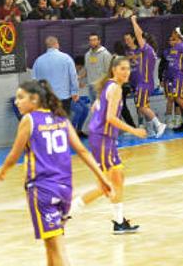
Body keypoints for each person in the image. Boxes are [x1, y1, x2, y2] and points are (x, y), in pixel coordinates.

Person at [0, 79, 112, 265]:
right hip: (65, 190)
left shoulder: (29, 120)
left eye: (20, 97)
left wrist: (3, 171)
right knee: (51, 245)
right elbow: (82, 151)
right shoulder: (61, 118)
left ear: (34, 100)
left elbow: (14, 154)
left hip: (42, 190)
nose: (16, 102)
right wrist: (102, 177)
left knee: (57, 248)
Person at [69, 57, 147, 234]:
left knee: (118, 178)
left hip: (105, 138)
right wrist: (134, 130)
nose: (126, 72)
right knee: (106, 185)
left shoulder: (109, 85)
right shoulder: (116, 88)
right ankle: (66, 213)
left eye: (128, 69)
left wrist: (99, 109)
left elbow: (96, 106)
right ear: (114, 70)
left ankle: (119, 222)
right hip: (103, 138)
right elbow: (110, 118)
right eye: (122, 69)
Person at [123, 15, 165, 138]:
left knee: (141, 107)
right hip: (146, 82)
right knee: (143, 106)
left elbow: (138, 34)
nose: (138, 40)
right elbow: (140, 34)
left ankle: (158, 124)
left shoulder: (146, 49)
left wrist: (133, 21)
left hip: (144, 82)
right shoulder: (150, 50)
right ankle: (151, 130)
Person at [31, 36, 78, 114]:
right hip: (63, 98)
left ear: (47, 46)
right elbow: (73, 76)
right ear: (57, 44)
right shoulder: (67, 58)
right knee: (62, 122)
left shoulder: (38, 61)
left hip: (46, 98)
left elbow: (34, 80)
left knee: (47, 124)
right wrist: (74, 92)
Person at [81, 33, 112, 136]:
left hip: (101, 87)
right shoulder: (87, 55)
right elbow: (86, 69)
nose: (92, 42)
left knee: (102, 108)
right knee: (96, 109)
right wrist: (81, 80)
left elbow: (109, 71)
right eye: (91, 40)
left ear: (99, 41)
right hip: (91, 86)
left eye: (94, 40)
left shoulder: (105, 54)